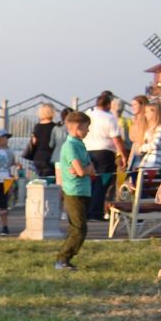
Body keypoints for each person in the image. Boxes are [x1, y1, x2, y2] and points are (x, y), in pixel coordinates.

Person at [55, 110, 93, 272]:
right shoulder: (70, 146)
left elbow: (92, 169)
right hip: (74, 191)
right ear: (77, 127)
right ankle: (62, 259)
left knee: (78, 227)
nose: (88, 131)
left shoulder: (80, 144)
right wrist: (85, 170)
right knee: (78, 229)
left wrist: (86, 170)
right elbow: (82, 171)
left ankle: (65, 258)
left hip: (83, 190)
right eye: (86, 127)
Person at [84, 91, 122, 222]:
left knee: (91, 182)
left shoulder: (89, 114)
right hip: (105, 152)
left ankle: (88, 210)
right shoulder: (109, 117)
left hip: (88, 150)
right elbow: (116, 139)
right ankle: (96, 211)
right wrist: (123, 154)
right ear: (108, 104)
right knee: (102, 183)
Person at [25, 104, 59, 182]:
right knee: (50, 181)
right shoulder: (55, 127)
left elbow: (34, 142)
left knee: (39, 181)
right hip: (50, 157)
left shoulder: (37, 126)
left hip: (37, 157)